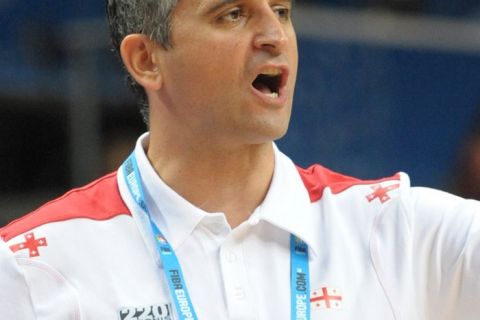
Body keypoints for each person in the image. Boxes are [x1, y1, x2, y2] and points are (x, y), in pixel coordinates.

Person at [1, 1, 479, 319]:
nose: (275, 35)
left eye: (282, 10)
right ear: (146, 59)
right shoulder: (29, 265)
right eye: (232, 14)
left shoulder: (401, 229)